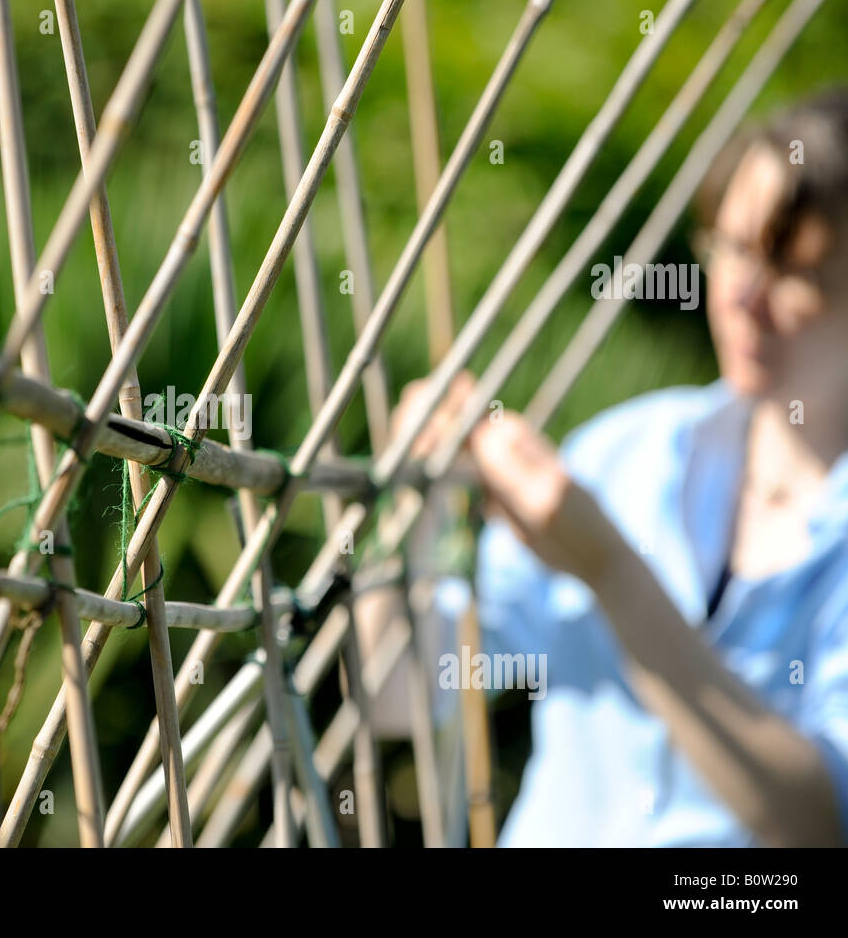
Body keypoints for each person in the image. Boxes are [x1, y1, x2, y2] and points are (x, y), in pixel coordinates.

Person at [358, 89, 848, 847]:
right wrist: (417, 506)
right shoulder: (625, 453)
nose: (743, 296)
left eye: (795, 268)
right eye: (733, 248)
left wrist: (612, 571)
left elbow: (818, 823)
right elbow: (400, 699)